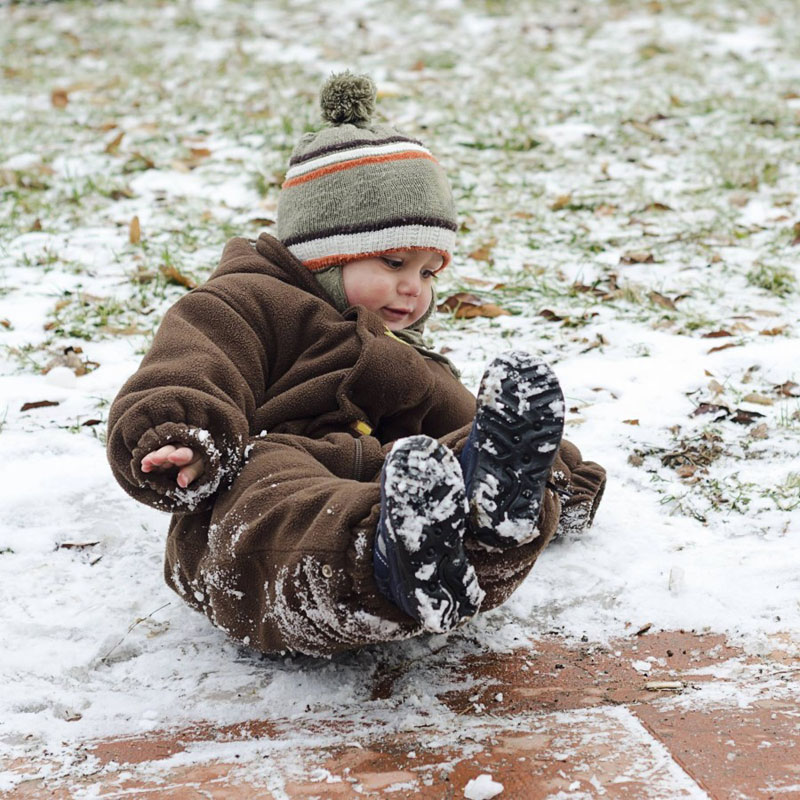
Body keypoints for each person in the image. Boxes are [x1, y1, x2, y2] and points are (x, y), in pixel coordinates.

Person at [107, 73, 606, 657]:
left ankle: (486, 522)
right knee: (269, 489)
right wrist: (181, 435)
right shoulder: (246, 304)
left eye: (427, 271)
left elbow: (464, 417)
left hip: (399, 483)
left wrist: (555, 470)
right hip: (269, 475)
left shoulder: (405, 356)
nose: (413, 288)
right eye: (394, 260)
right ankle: (387, 558)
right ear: (323, 251)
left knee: (450, 458)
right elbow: (190, 367)